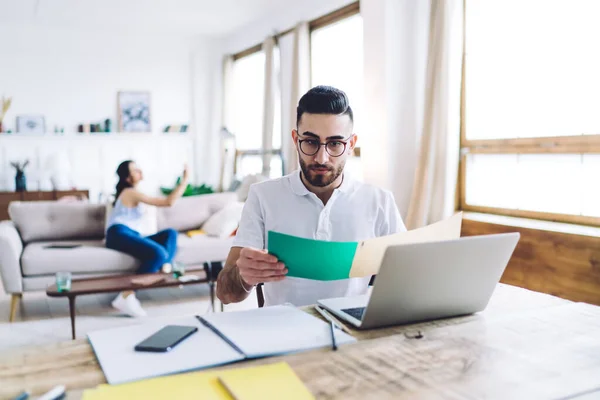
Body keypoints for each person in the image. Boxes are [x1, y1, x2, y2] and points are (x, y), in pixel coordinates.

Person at [216, 86, 406, 307]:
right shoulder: (263, 196)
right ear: (296, 139)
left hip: (354, 332)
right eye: (311, 142)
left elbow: (407, 279)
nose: (321, 158)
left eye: (335, 143)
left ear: (351, 145)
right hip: (285, 332)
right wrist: (243, 277)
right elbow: (226, 294)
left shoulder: (379, 201)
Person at [105, 160, 189, 317]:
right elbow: (168, 202)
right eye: (135, 170)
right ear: (128, 178)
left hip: (131, 234)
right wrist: (185, 180)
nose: (139, 170)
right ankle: (126, 295)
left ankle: (164, 267)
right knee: (159, 253)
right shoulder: (130, 192)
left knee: (170, 233)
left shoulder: (134, 192)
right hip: (118, 233)